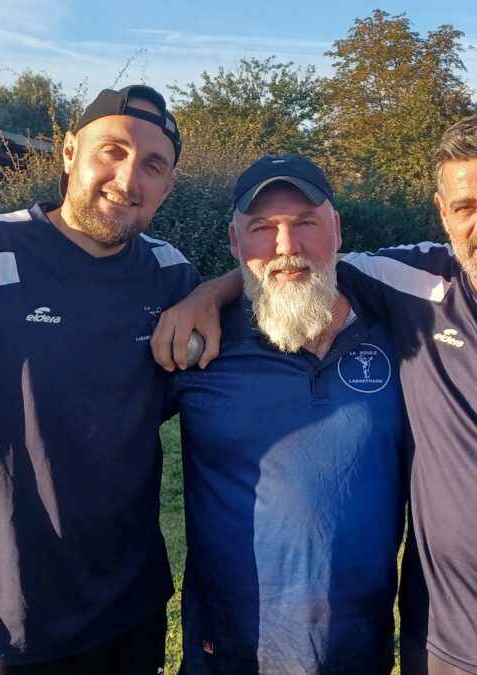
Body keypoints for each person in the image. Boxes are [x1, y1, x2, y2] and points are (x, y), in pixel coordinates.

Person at [154, 116, 477, 675]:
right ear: (442, 212)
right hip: (432, 643)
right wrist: (205, 296)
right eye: (465, 207)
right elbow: (282, 270)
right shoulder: (414, 282)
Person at [0, 84, 200, 673]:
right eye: (113, 151)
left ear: (168, 185)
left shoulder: (173, 277)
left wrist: (219, 291)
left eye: (153, 164)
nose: (129, 179)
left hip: (129, 605)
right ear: (70, 150)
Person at [166, 155, 406, 674]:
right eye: (262, 228)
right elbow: (91, 415)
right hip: (230, 655)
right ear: (235, 245)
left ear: (336, 230)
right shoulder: (199, 346)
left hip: (360, 652)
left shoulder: (399, 336)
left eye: (304, 223)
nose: (286, 246)